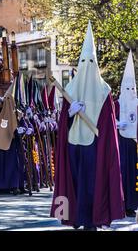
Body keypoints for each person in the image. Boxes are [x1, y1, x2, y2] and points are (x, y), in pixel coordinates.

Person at [50, 22, 124, 230]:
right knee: (74, 183)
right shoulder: (70, 89)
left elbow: (108, 123)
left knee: (92, 185)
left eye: (90, 61)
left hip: (94, 146)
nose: (87, 64)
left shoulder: (104, 90)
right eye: (84, 61)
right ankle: (74, 217)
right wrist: (71, 113)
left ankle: (92, 220)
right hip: (74, 145)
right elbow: (63, 121)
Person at [114, 51, 138, 218]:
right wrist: (117, 124)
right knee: (122, 174)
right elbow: (108, 119)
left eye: (132, 87)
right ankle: (120, 204)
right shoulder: (116, 103)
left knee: (133, 176)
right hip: (120, 143)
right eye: (127, 87)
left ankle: (132, 205)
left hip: (134, 144)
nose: (130, 90)